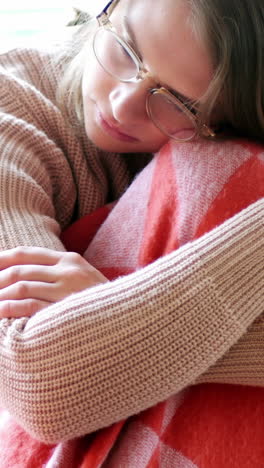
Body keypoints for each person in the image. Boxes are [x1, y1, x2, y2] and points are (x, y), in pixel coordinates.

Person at [0, 0, 263, 444]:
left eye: (180, 102)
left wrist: (109, 314)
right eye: (125, 50)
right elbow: (42, 378)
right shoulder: (12, 113)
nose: (123, 107)